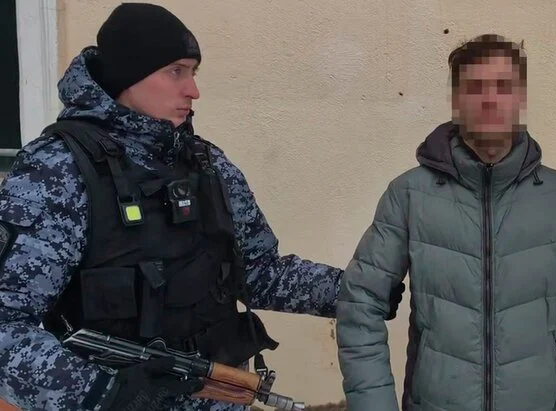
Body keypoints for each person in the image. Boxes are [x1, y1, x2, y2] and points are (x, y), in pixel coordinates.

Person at [0, 3, 403, 411]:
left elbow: (258, 273)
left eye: (193, 72)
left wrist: (356, 291)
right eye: (176, 71)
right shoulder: (57, 170)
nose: (193, 90)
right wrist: (105, 392)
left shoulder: (207, 164)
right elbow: (7, 326)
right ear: (128, 76)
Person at [336, 34, 556, 411]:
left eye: (503, 86)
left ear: (521, 99)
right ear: (456, 101)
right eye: (476, 87)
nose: (490, 99)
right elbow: (360, 303)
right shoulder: (410, 195)